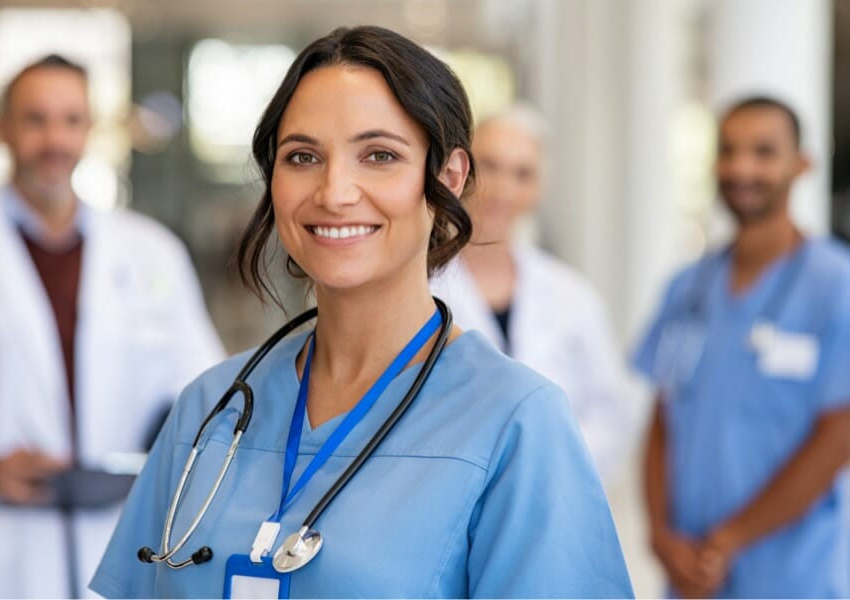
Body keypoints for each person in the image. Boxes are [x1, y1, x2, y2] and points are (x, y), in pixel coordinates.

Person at [89, 26, 633, 598]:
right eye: (302, 156)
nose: (334, 191)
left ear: (448, 177)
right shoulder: (211, 409)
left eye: (379, 156)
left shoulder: (516, 423)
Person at [0, 55, 224, 598]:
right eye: (35, 119)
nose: (55, 139)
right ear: (0, 128)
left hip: (121, 534)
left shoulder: (151, 252)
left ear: (90, 130)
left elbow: (205, 386)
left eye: (71, 120)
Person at [634, 97, 850, 598]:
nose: (741, 168)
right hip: (691, 576)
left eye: (764, 152)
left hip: (790, 576)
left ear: (803, 164)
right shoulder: (687, 287)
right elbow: (663, 420)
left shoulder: (835, 285)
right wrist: (661, 536)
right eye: (729, 150)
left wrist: (726, 541)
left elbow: (837, 439)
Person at [430, 104, 637, 482]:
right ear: (457, 171)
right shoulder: (420, 287)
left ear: (538, 187)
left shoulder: (572, 296)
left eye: (523, 174)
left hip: (554, 490)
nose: (504, 188)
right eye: (490, 165)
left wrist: (550, 465)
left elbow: (612, 412)